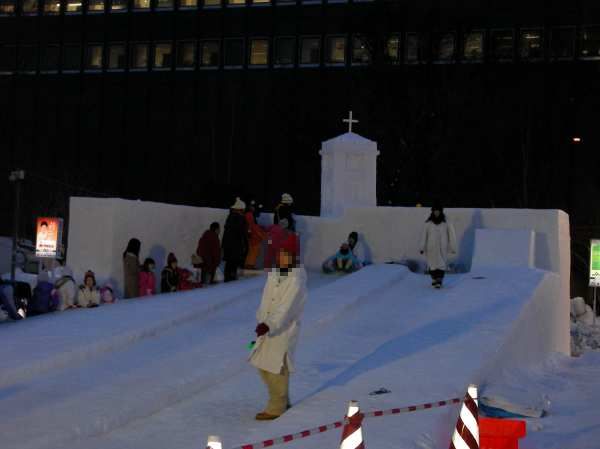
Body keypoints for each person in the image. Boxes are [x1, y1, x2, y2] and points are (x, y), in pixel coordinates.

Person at [249, 233, 307, 421]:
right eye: (280, 254)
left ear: (293, 257)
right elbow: (266, 300)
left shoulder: (295, 280)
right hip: (266, 327)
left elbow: (286, 307)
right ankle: (284, 400)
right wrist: (261, 319)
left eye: (286, 255)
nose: (281, 258)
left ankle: (276, 407)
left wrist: (269, 324)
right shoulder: (274, 275)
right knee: (262, 364)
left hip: (282, 330)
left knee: (275, 367)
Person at [419, 202, 457, 288]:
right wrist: (422, 247)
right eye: (435, 211)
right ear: (432, 211)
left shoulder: (446, 222)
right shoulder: (428, 223)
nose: (436, 212)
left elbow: (452, 235)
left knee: (441, 264)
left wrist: (453, 247)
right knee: (432, 265)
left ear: (441, 211)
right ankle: (434, 279)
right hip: (431, 247)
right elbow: (423, 235)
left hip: (442, 247)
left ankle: (439, 280)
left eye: (438, 211)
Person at [222, 198, 248, 282]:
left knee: (229, 262)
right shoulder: (240, 218)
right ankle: (231, 278)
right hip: (236, 244)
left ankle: (228, 277)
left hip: (228, 243)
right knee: (234, 261)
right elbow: (241, 232)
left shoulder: (230, 216)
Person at [244, 201, 267, 270]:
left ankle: (249, 264)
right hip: (253, 236)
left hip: (252, 236)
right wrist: (260, 234)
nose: (254, 208)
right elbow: (251, 226)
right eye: (252, 206)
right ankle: (249, 265)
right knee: (253, 251)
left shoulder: (249, 214)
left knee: (252, 251)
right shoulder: (249, 215)